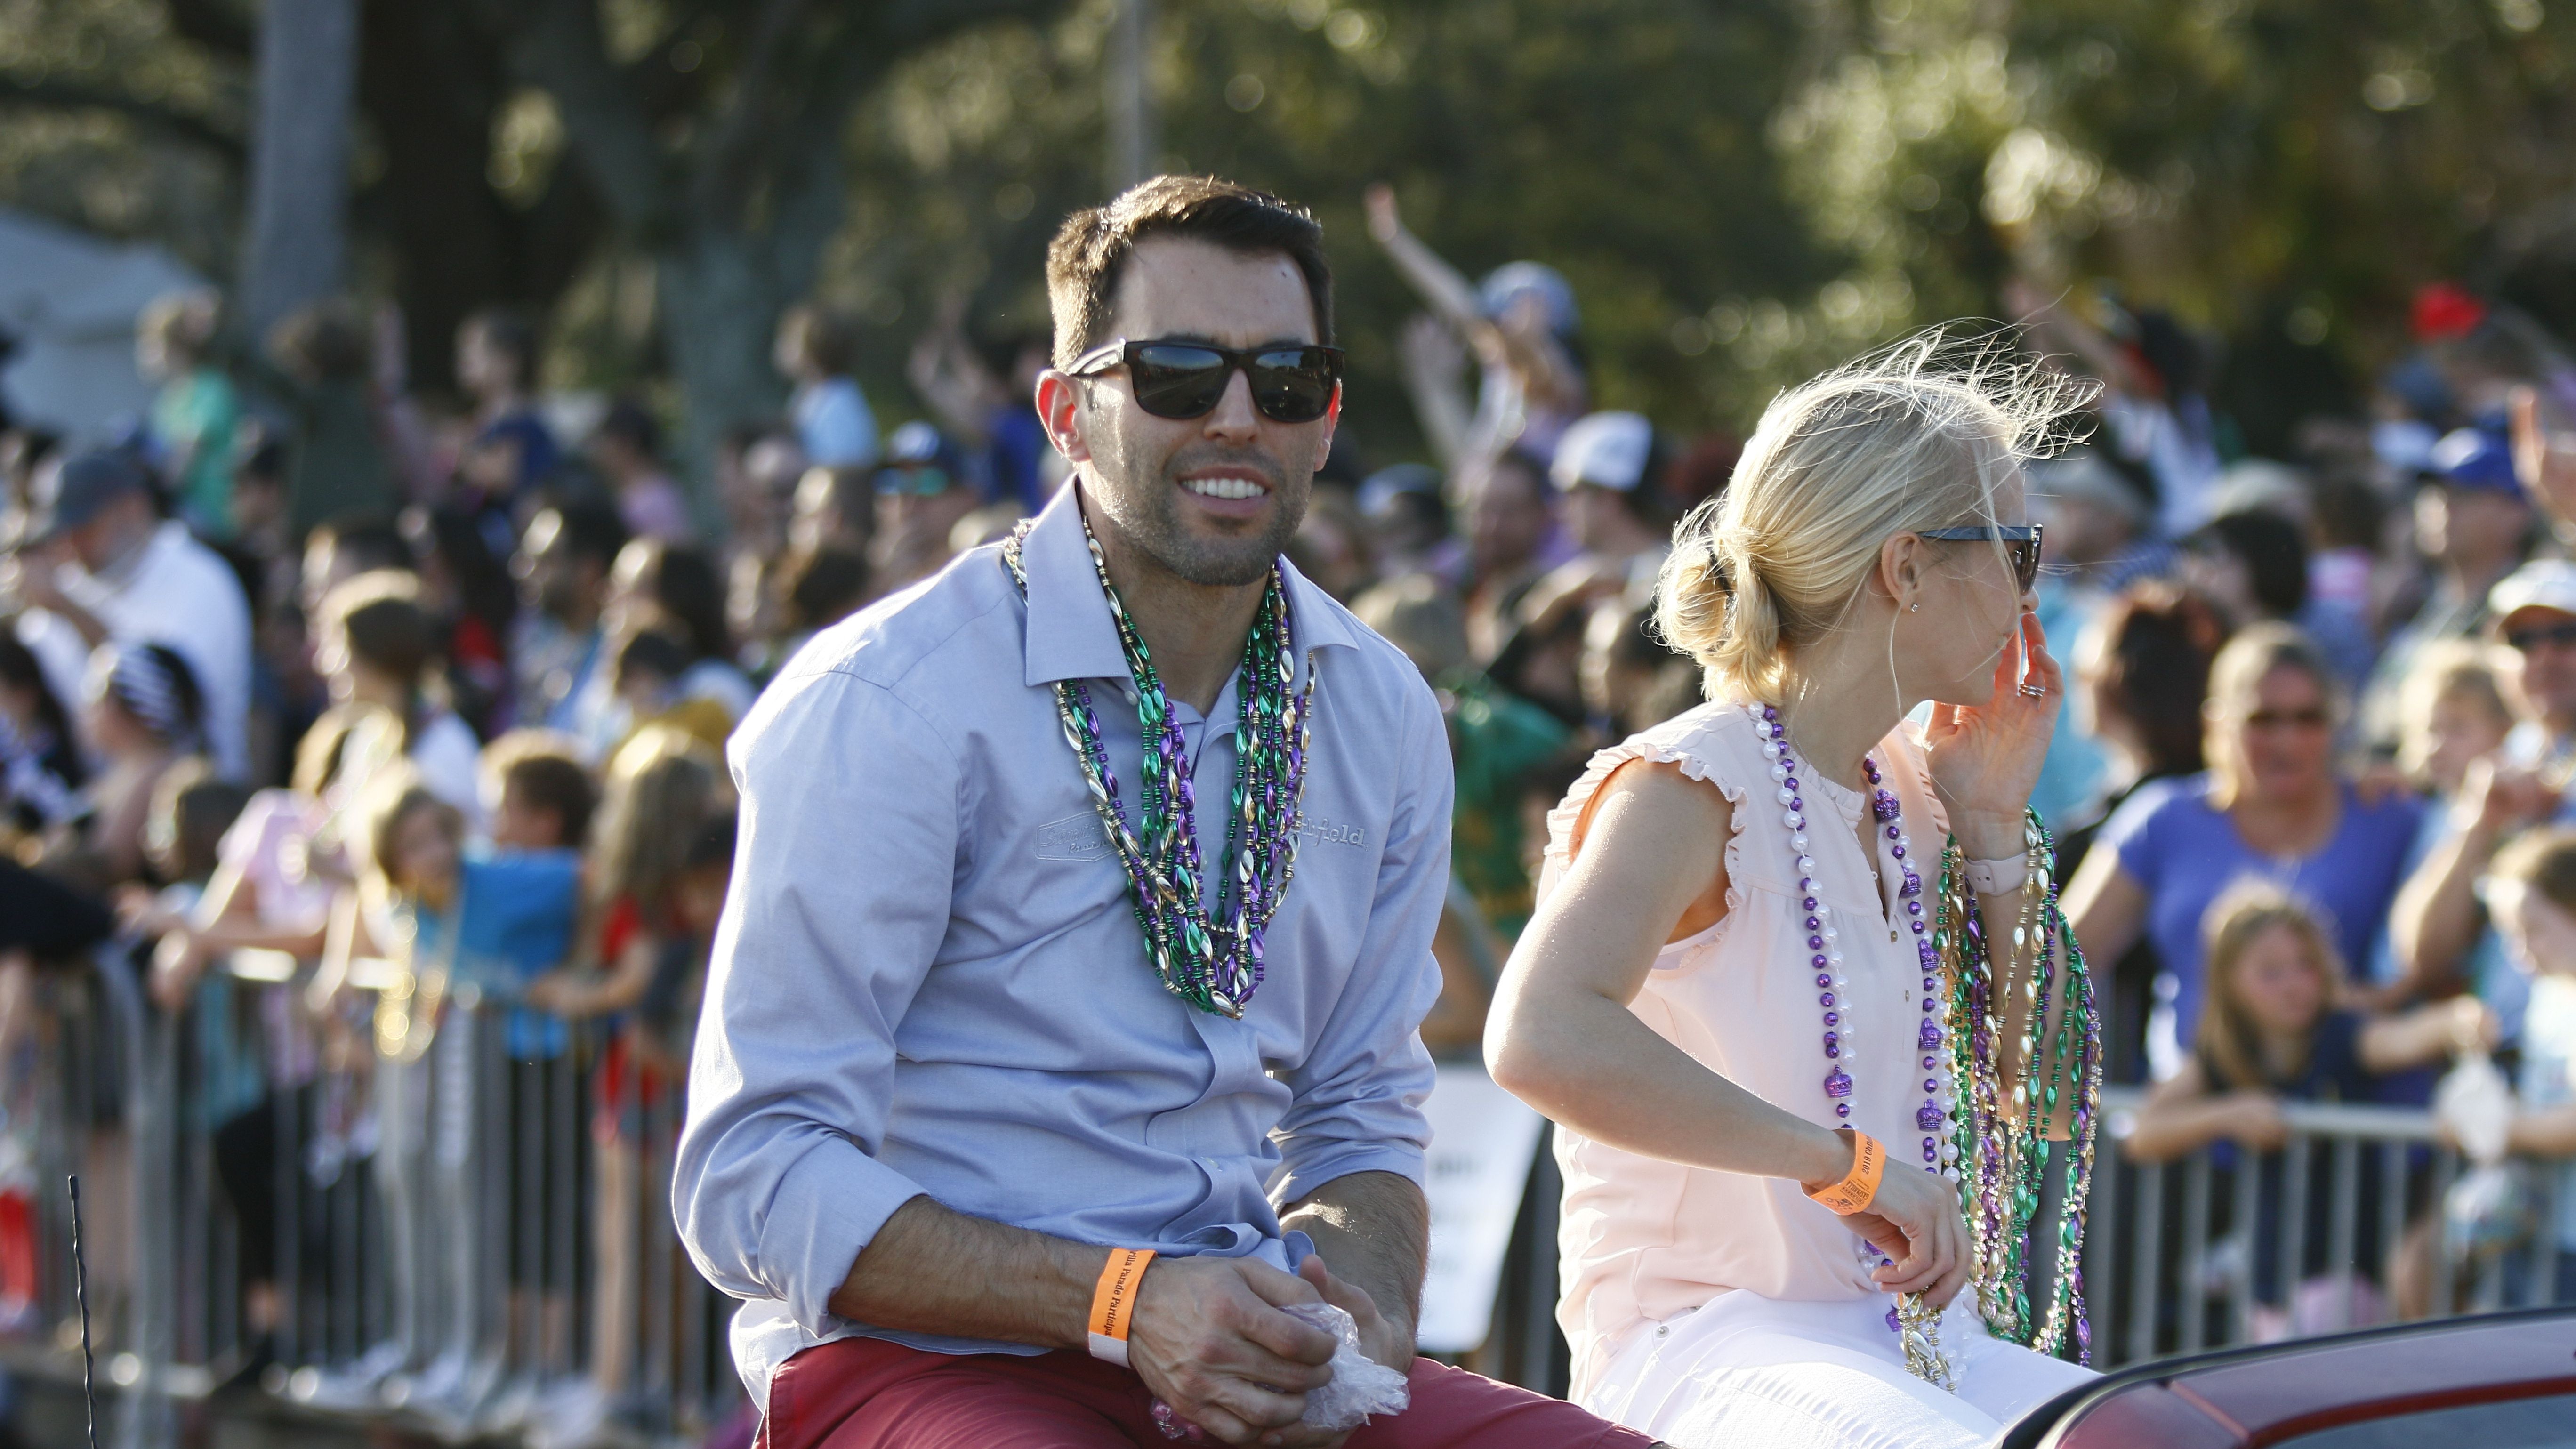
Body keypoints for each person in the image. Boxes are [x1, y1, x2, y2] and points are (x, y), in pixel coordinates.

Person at [676, 175, 1659, 1449]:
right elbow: (751, 1174)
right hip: (930, 1361)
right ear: (1067, 412)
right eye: (1179, 373)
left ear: (1328, 418)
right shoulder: (890, 703)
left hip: (1235, 1346)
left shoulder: (1379, 708)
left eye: (1286, 380)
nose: (1238, 418)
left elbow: (1358, 1112)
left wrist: (1351, 1317)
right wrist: (1123, 1300)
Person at [1485, 333, 2097, 1448]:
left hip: (1895, 1343)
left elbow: (2045, 1094)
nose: (2029, 584)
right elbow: (1537, 1035)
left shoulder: (1914, 787)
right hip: (1697, 1344)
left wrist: (1993, 822)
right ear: (1904, 568)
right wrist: (1842, 1162)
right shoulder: (1687, 779)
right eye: (2013, 542)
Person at [2124, 884, 2488, 1339]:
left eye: (2305, 966)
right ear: (2229, 981)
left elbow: (2402, 1038)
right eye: (2271, 972)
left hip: (2347, 1275)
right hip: (2269, 1283)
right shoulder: (2224, 1057)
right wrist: (2225, 1115)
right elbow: (2143, 1133)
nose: (2295, 983)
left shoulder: (2341, 1036)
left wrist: (2456, 1021)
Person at [2066, 625, 2423, 1083]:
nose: (2287, 741)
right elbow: (2062, 958)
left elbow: (2436, 959)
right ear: (2217, 722)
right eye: (2264, 720)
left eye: (2308, 719)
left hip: (2344, 1120)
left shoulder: (2387, 815)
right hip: (2191, 1124)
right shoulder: (2162, 819)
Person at [2388, 560, 2576, 1031]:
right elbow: (2420, 956)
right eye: (2523, 642)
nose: (2545, 657)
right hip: (2513, 1057)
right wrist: (2480, 828)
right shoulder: (2495, 770)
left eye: (2565, 635)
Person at [11, 449, 254, 779]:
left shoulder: (199, 578)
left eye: (82, 527)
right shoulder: (77, 578)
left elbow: (161, 710)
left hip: (195, 797)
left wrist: (69, 611)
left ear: (133, 508)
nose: (70, 545)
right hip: (99, 795)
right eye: (62, 533)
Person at [2361, 424, 2533, 746]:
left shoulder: (2527, 614)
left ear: (2516, 512)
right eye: (2434, 492)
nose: (2442, 505)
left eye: (2464, 494)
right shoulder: (2418, 603)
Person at [2478, 828, 2576, 1308]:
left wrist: (2500, 1129)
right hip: (2551, 1234)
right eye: (2510, 935)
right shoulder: (2549, 997)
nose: (2520, 950)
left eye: (2533, 929)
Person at [315, 570, 484, 827]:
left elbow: (440, 860)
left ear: (380, 657)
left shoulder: (444, 745)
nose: (327, 665)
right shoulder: (369, 736)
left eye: (343, 650)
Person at [509, 500, 628, 739]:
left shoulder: (624, 656)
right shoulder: (537, 647)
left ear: (589, 570)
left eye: (545, 560)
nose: (526, 571)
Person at [137, 288, 242, 538]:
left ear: (176, 346)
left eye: (151, 344)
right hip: (182, 514)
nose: (143, 354)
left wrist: (151, 498)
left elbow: (186, 458)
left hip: (211, 518)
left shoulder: (211, 389)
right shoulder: (167, 399)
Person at [457, 309, 560, 513]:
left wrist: (459, 458)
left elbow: (502, 476)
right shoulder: (483, 418)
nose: (464, 362)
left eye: (475, 352)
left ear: (509, 360)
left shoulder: (519, 418)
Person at [774, 305, 880, 473]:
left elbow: (844, 468)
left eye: (789, 339)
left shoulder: (839, 403)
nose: (780, 347)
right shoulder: (807, 393)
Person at [588, 399, 695, 544]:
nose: (601, 453)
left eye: (606, 443)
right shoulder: (630, 495)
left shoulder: (655, 497)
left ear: (627, 443)